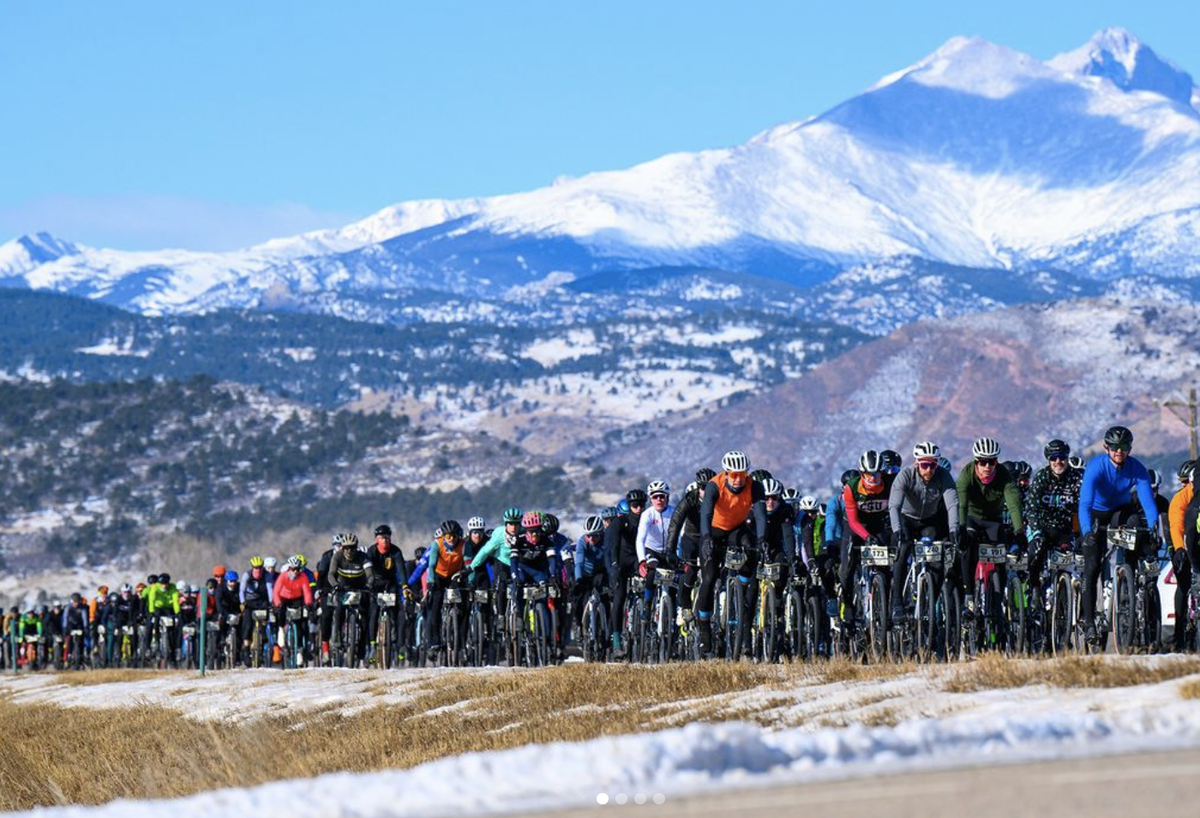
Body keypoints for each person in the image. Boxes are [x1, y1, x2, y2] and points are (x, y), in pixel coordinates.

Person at [1078, 425, 1159, 647]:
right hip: (1095, 513)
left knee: (1134, 523)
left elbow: (1148, 503)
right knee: (1092, 564)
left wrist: (1154, 529)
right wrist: (1086, 532)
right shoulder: (1096, 467)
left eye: (1124, 447)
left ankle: (1128, 574)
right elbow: (1084, 503)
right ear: (1107, 447)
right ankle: (1089, 623)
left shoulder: (1137, 469)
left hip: (1119, 512)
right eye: (1114, 447)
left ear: (1129, 449)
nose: (1119, 451)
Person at [695, 451, 768, 657]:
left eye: (742, 474)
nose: (738, 479)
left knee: (752, 546)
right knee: (709, 578)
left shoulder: (755, 486)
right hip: (714, 530)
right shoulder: (714, 485)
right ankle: (704, 630)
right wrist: (706, 538)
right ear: (726, 473)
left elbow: (761, 516)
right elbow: (706, 514)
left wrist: (762, 540)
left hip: (736, 529)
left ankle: (742, 587)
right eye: (734, 475)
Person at [888, 441, 959, 621]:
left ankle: (929, 601)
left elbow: (952, 504)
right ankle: (897, 602)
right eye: (924, 465)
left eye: (933, 465)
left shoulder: (943, 476)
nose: (929, 470)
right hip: (907, 519)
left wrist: (953, 530)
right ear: (917, 463)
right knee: (903, 549)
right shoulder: (905, 475)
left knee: (937, 557)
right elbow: (894, 505)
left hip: (929, 520)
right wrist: (896, 530)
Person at [957, 438, 1024, 619]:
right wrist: (961, 528)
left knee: (1001, 554)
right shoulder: (966, 474)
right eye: (982, 462)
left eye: (992, 461)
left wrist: (1019, 531)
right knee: (968, 548)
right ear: (976, 462)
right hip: (971, 517)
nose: (987, 466)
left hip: (993, 520)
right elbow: (961, 505)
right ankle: (969, 595)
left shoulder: (1003, 475)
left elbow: (1014, 504)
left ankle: (998, 595)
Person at [840, 450, 898, 626]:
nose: (873, 478)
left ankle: (885, 608)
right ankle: (848, 605)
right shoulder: (851, 487)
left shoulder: (890, 484)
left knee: (887, 563)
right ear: (861, 473)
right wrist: (866, 537)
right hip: (856, 526)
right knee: (848, 564)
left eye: (877, 474)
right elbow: (852, 521)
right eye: (869, 474)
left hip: (879, 524)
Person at [1024, 440, 1083, 601]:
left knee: (1080, 557)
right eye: (1054, 458)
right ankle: (1035, 587)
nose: (1058, 462)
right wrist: (1036, 531)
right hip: (1043, 526)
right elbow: (1032, 508)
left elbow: (1084, 506)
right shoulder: (1041, 477)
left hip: (1066, 528)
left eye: (1062, 458)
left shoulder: (1076, 478)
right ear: (1048, 460)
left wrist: (1082, 532)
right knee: (1036, 550)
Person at [665, 468, 717, 616]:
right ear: (697, 487)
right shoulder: (690, 499)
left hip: (711, 538)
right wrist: (670, 550)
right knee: (691, 569)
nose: (706, 491)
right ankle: (685, 604)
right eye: (703, 487)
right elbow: (675, 524)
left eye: (710, 487)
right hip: (692, 538)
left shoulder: (720, 499)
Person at [605, 489, 647, 655]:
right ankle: (616, 642)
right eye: (635, 505)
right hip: (621, 561)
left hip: (637, 559)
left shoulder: (647, 518)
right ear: (630, 506)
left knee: (647, 586)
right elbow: (613, 545)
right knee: (619, 598)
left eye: (641, 505)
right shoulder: (620, 521)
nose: (638, 508)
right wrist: (614, 566)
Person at [323, 533, 375, 660]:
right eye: (346, 548)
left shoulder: (363, 557)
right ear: (342, 548)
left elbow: (370, 575)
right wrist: (335, 585)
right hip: (343, 586)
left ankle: (362, 645)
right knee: (339, 609)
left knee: (365, 616)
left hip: (360, 586)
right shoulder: (337, 556)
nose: (349, 551)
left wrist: (369, 585)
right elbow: (331, 574)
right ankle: (338, 636)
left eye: (352, 548)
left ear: (356, 548)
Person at [423, 520, 468, 658]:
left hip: (454, 576)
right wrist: (430, 581)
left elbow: (467, 563)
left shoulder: (463, 545)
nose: (451, 539)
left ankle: (461, 644)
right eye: (448, 536)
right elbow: (431, 565)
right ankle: (434, 641)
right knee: (435, 606)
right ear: (443, 536)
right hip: (438, 576)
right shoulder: (437, 544)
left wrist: (468, 579)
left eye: (454, 536)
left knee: (463, 605)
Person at [367, 524, 410, 661]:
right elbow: (368, 570)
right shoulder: (371, 551)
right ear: (376, 540)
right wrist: (369, 583)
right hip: (375, 584)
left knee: (396, 613)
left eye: (387, 537)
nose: (385, 540)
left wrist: (404, 586)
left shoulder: (396, 551)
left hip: (390, 584)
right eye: (381, 538)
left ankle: (398, 644)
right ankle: (372, 646)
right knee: (373, 612)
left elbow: (401, 570)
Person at [1169, 460, 1196, 650]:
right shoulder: (1180, 499)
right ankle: (1178, 634)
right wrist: (1179, 548)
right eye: (1182, 482)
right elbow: (1176, 526)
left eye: (1188, 481)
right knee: (1184, 584)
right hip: (1179, 543)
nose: (1185, 485)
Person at [571, 515, 610, 633]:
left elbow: (611, 561)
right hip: (586, 574)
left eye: (595, 535)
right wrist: (578, 579)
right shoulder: (583, 542)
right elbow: (579, 563)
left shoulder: (606, 540)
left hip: (601, 572)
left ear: (601, 533)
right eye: (589, 535)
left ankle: (607, 628)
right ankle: (580, 626)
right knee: (580, 600)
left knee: (605, 599)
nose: (591, 538)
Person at [273, 555, 315, 661]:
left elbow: (307, 591)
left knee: (299, 622)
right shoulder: (283, 576)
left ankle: (299, 650)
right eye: (293, 569)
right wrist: (277, 603)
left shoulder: (303, 577)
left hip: (297, 598)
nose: (295, 571)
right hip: (284, 597)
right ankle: (281, 630)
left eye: (297, 569)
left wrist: (308, 603)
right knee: (281, 611)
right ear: (289, 569)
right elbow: (276, 591)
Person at [240, 557, 274, 655]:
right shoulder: (247, 575)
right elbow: (241, 590)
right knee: (248, 624)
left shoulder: (266, 575)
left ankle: (263, 639)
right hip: (250, 601)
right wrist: (242, 602)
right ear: (252, 568)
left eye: (260, 568)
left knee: (266, 618)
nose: (258, 570)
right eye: (255, 568)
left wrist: (271, 602)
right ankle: (246, 647)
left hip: (262, 601)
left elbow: (269, 589)